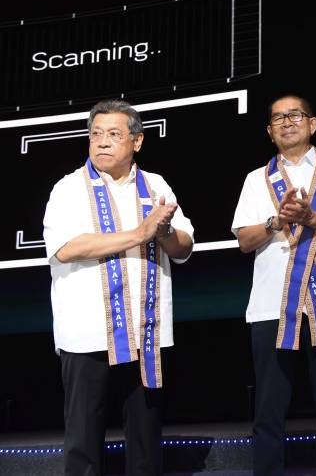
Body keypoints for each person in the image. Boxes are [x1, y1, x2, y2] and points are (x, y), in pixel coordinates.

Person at [42, 98, 195, 476]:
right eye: (96, 134)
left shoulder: (155, 185)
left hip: (145, 329)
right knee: (83, 440)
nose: (102, 142)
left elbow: (184, 248)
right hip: (87, 332)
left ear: (137, 141)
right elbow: (65, 248)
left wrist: (163, 233)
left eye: (113, 134)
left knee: (145, 437)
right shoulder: (68, 188)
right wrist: (139, 233)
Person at [231, 95, 316, 476]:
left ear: (313, 123)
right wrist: (277, 222)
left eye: (295, 115)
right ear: (269, 132)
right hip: (272, 306)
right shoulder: (256, 180)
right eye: (278, 119)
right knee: (269, 410)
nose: (287, 122)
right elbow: (244, 240)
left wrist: (311, 217)